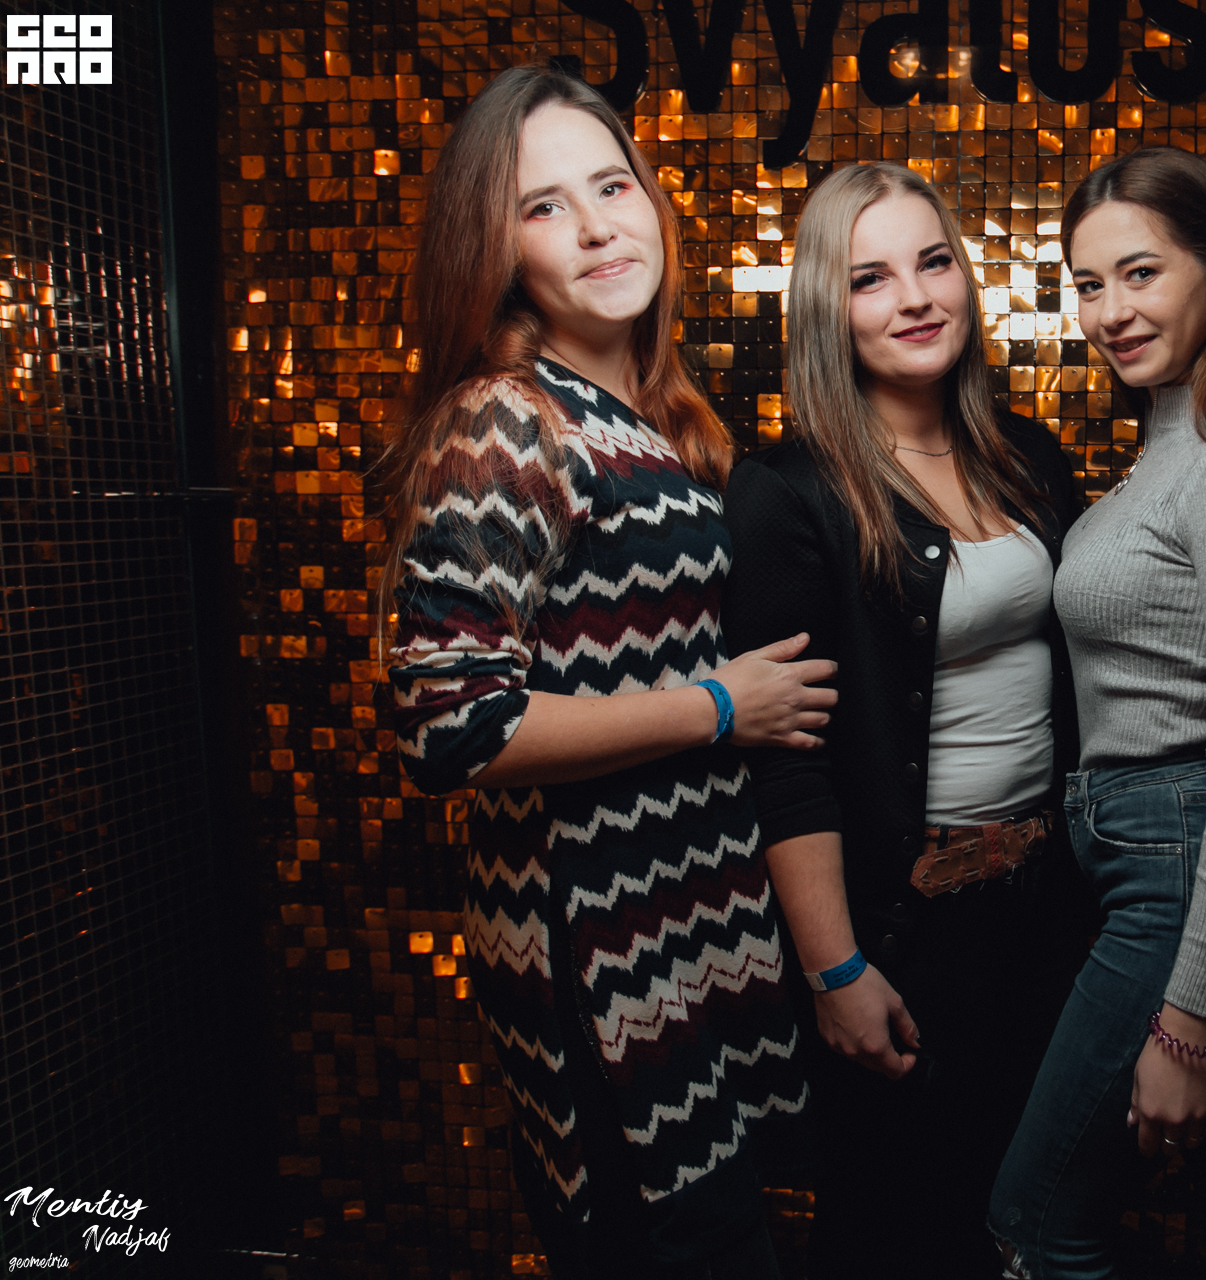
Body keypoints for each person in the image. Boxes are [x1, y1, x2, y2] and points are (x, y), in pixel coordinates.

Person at [381, 65, 837, 1280]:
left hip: (683, 946)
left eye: (612, 185)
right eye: (543, 205)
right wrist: (722, 705)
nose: (594, 225)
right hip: (599, 961)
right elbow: (450, 727)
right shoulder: (508, 418)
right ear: (498, 247)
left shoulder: (647, 414)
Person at [720, 162, 1088, 1279]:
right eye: (870, 277)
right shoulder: (791, 491)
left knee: (1025, 1220)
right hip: (909, 929)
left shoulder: (1027, 457)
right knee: (897, 1230)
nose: (916, 297)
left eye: (933, 263)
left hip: (1046, 909)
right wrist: (836, 970)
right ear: (826, 308)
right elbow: (786, 762)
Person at [988, 146, 1206, 1277]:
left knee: (1039, 1221)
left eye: (1141, 273)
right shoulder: (1169, 455)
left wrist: (1189, 1021)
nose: (1111, 312)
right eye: (1089, 284)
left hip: (1181, 865)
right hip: (1141, 862)